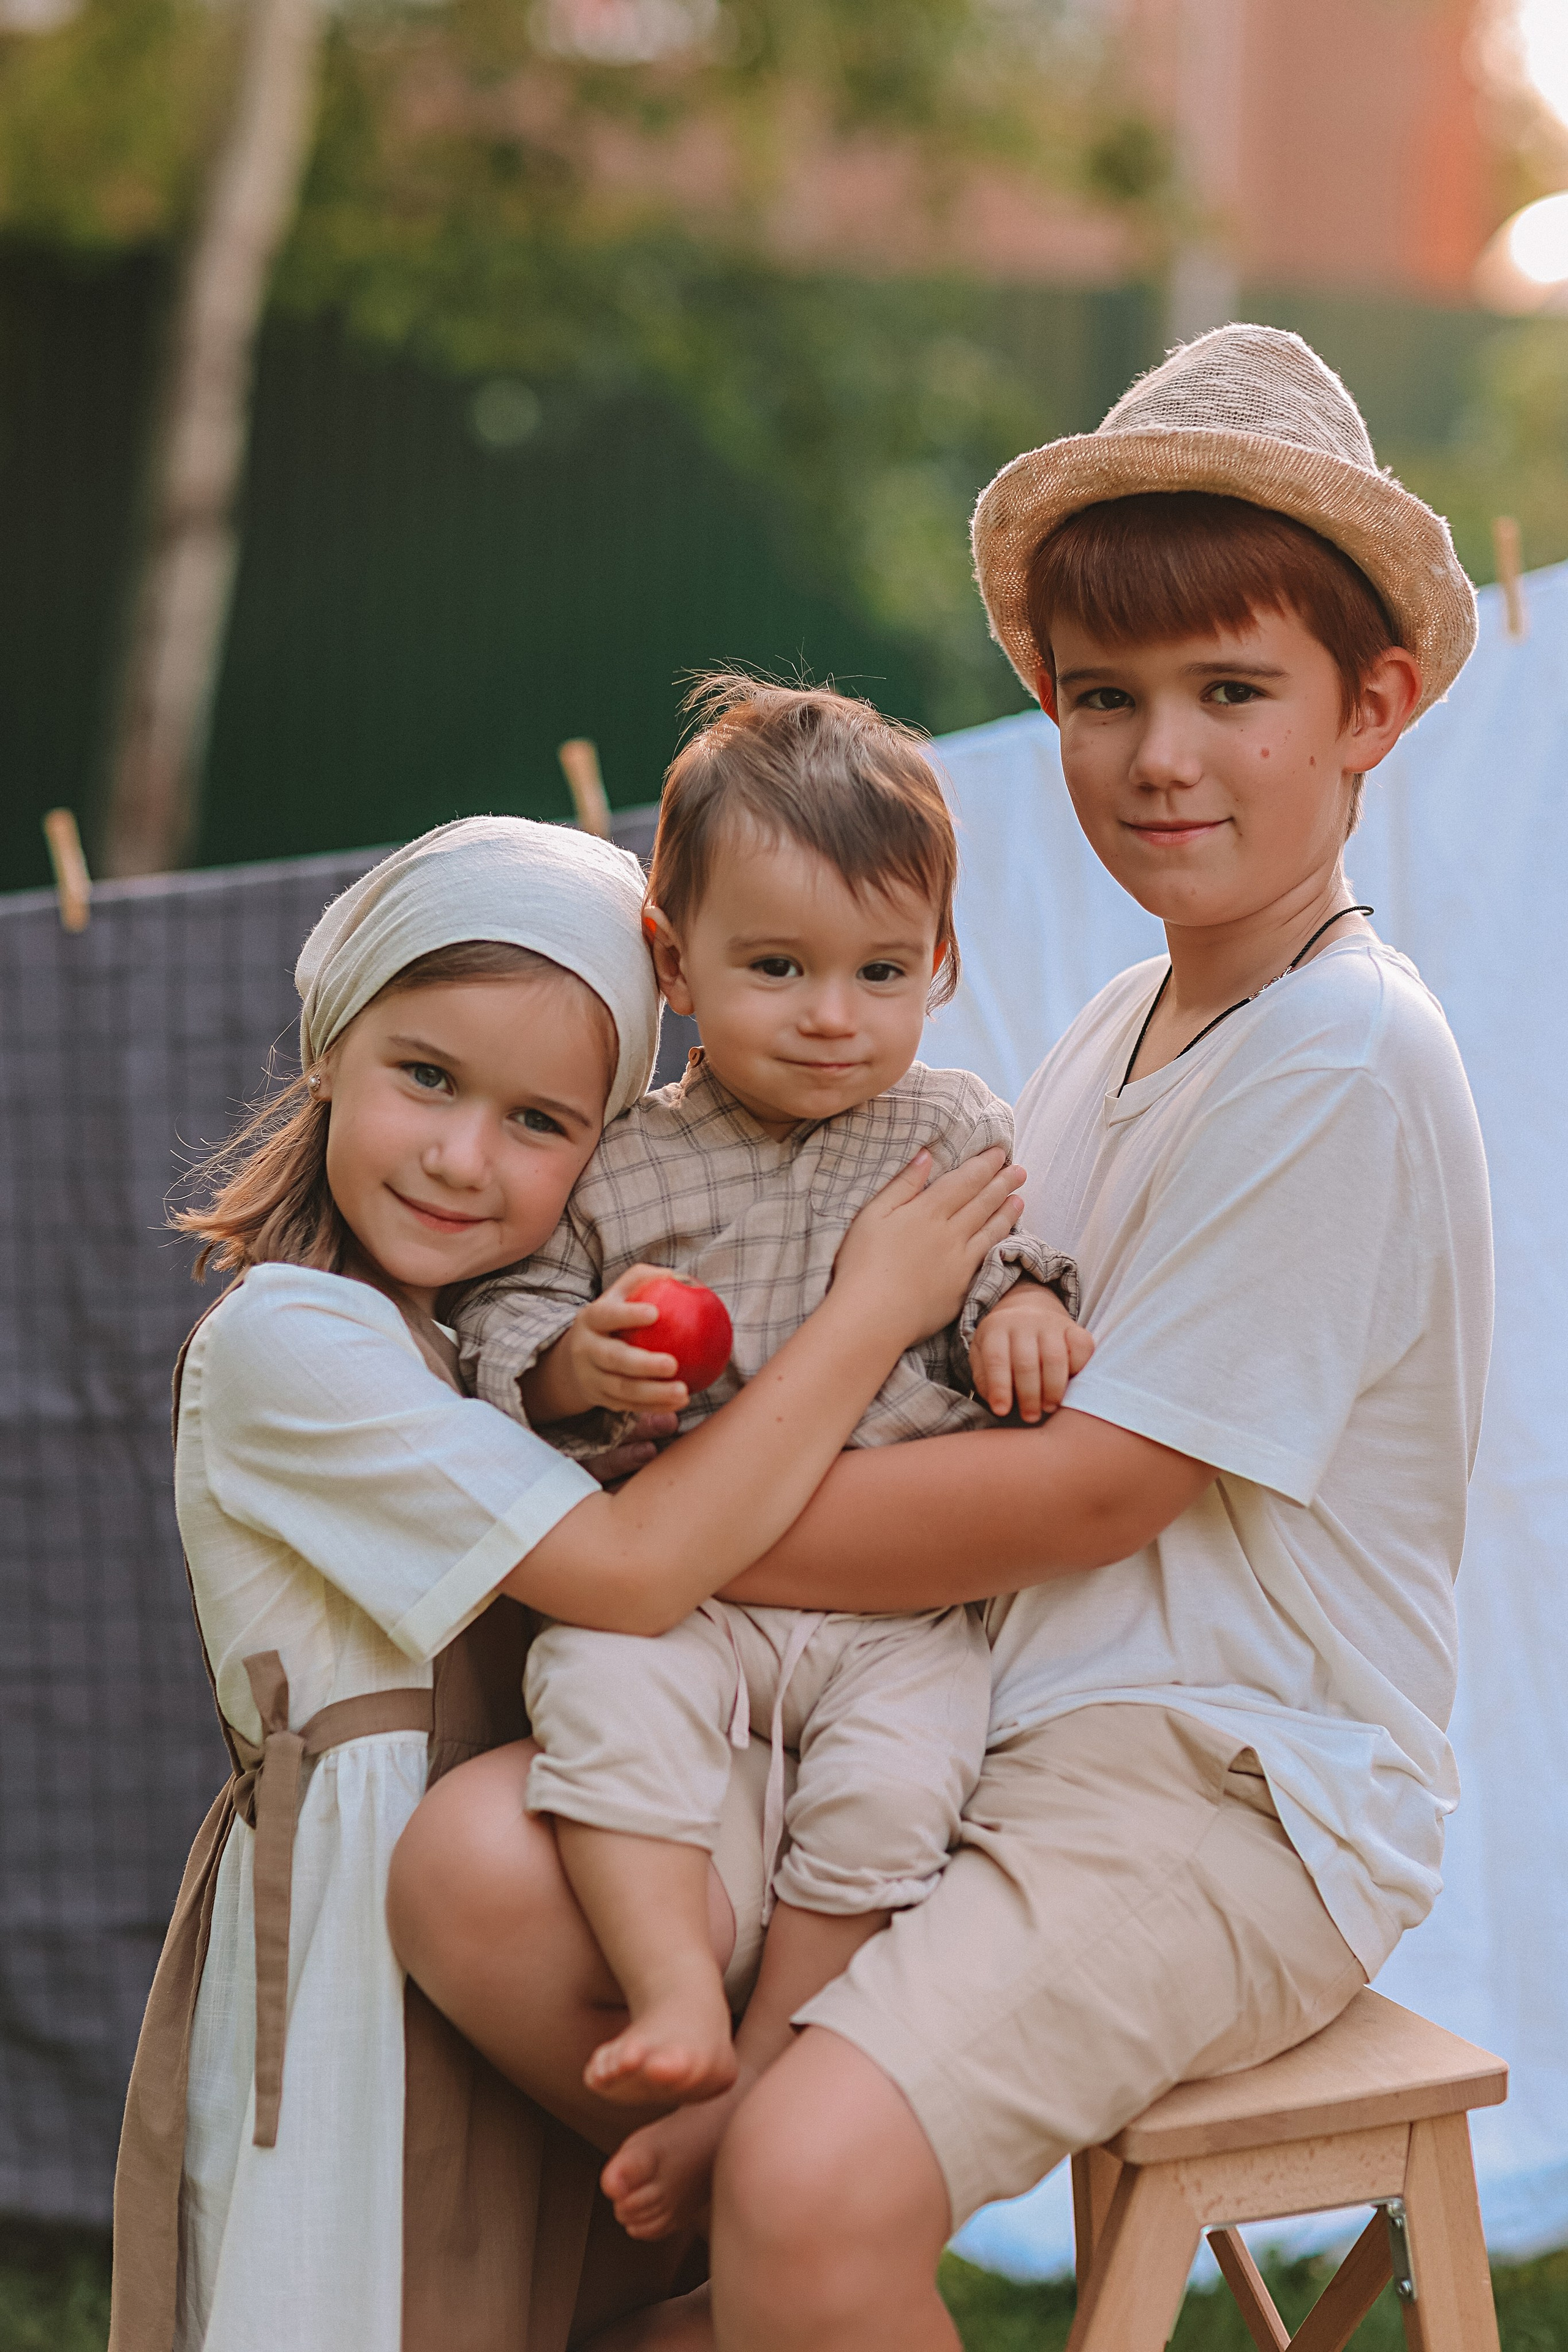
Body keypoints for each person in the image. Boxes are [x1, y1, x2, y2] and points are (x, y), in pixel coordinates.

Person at [390, 325, 1493, 2352]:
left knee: (813, 2178)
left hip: (1219, 1782)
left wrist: (669, 1527)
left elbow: (1092, 1489)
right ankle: (744, 2276)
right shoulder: (1102, 1035)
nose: (1162, 756)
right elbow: (944, 1367)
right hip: (966, 1698)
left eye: (1233, 694)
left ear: (1374, 709)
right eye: (1105, 699)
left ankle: (781, 2243)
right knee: (470, 1860)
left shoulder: (1344, 1049)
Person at [106, 813, 1027, 2352]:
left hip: (560, 1912)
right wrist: (870, 1312)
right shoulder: (296, 1343)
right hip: (369, 1949)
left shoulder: (508, 1357)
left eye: (543, 1122)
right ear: (333, 1050)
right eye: (425, 1078)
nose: (467, 1157)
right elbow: (630, 1570)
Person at [450, 677, 1090, 2236]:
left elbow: (1020, 1269)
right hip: (689, 1597)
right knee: (597, 1692)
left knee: (899, 1792)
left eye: (881, 971)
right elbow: (514, 1312)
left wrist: (1019, 1321)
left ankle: (762, 2059)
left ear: (941, 964)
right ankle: (671, 1992)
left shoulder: (952, 1131)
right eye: (778, 967)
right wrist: (566, 1366)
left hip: (893, 1614)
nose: (830, 1014)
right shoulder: (623, 1161)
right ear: (675, 962)